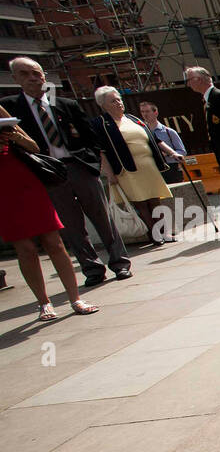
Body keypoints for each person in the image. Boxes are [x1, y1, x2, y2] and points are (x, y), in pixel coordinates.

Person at [1, 56, 132, 284]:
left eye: (36, 73)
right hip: (47, 173)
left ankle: (120, 263)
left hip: (79, 167)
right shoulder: (10, 107)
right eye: (24, 74)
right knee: (71, 227)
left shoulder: (64, 104)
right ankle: (92, 269)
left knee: (102, 218)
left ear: (44, 76)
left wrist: (92, 164)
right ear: (15, 79)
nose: (32, 78)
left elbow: (91, 137)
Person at [0, 122, 99, 320]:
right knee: (26, 250)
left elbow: (34, 148)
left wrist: (14, 136)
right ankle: (44, 303)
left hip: (30, 187)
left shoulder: (4, 118)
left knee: (54, 243)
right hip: (4, 194)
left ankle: (75, 299)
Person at [89, 86, 175, 246]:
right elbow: (101, 151)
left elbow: (154, 139)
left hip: (148, 166)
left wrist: (172, 153)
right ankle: (155, 234)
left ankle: (165, 232)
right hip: (127, 169)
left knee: (155, 200)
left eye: (119, 99)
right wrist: (109, 173)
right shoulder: (100, 123)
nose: (118, 103)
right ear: (103, 105)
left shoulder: (133, 118)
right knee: (141, 202)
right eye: (113, 101)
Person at [140, 100, 186, 182]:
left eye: (147, 111)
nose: (145, 114)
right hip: (153, 170)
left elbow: (182, 152)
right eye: (142, 112)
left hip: (171, 169)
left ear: (156, 113)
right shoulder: (141, 132)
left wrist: (167, 154)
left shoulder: (169, 132)